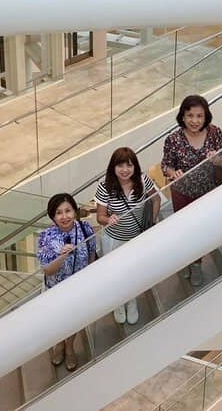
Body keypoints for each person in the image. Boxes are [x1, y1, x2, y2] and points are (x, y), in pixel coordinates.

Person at [161, 94, 222, 287]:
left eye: (199, 116)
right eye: (190, 115)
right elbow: (166, 165)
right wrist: (173, 172)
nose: (195, 121)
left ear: (206, 116)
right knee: (185, 231)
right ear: (182, 116)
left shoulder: (214, 132)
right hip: (183, 193)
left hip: (208, 192)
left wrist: (217, 159)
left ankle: (196, 263)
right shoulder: (173, 139)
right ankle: (190, 261)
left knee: (202, 230)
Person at [95, 146, 160, 325]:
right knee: (116, 273)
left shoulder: (142, 180)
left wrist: (151, 223)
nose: (125, 170)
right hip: (113, 239)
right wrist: (108, 219)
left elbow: (156, 199)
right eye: (120, 166)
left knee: (134, 271)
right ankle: (118, 302)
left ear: (135, 167)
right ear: (113, 168)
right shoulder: (105, 186)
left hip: (136, 238)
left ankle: (132, 301)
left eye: (129, 165)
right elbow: (99, 216)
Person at [37, 192, 96, 370]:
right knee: (57, 320)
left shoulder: (86, 229)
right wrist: (62, 256)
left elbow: (92, 255)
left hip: (79, 288)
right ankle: (60, 343)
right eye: (59, 213)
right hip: (56, 289)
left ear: (75, 211)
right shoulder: (46, 237)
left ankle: (69, 345)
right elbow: (47, 269)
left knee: (75, 319)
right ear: (53, 216)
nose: (64, 216)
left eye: (68, 211)